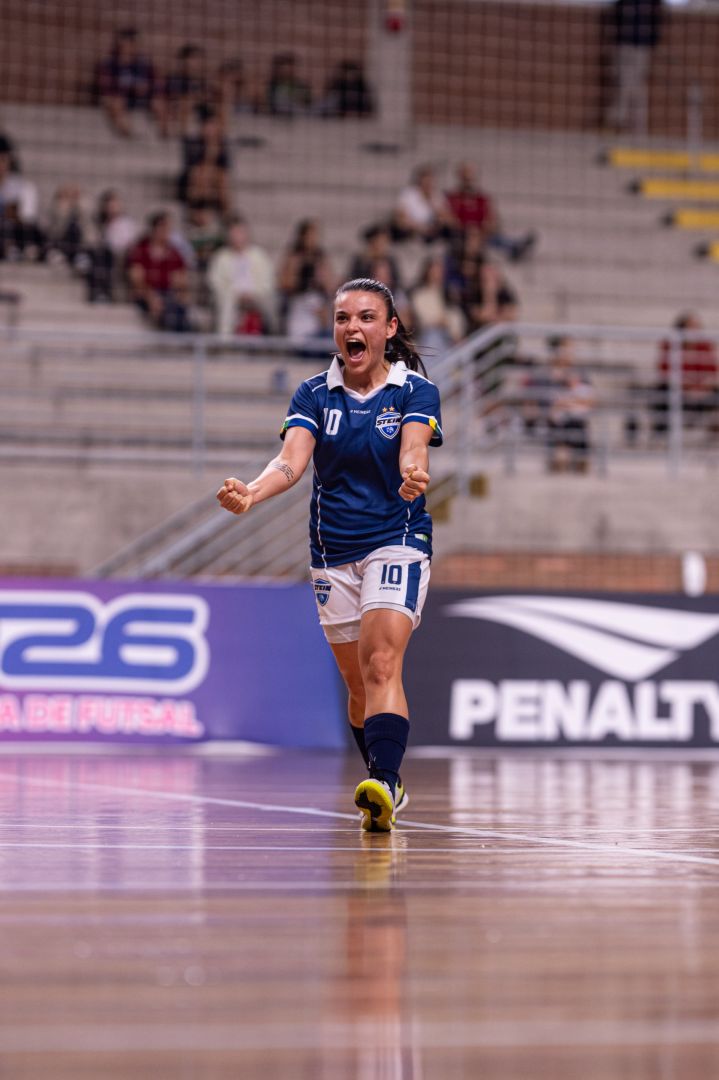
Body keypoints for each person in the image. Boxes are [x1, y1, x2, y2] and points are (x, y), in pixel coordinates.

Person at [216, 277, 443, 832]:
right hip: (331, 550)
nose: (352, 327)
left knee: (382, 662)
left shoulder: (414, 391)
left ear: (389, 329)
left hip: (397, 538)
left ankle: (384, 782)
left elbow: (414, 446)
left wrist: (414, 472)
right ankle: (384, 781)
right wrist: (252, 491)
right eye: (343, 318)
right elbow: (291, 461)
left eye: (366, 317)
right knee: (358, 684)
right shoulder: (314, 393)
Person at [445, 162, 536, 263]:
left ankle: (514, 247)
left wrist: (483, 230)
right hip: (461, 234)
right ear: (460, 177)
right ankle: (512, 247)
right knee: (471, 237)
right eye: (465, 177)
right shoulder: (452, 197)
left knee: (493, 235)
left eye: (470, 177)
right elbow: (447, 218)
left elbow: (492, 218)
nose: (468, 181)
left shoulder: (482, 198)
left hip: (482, 234)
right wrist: (468, 229)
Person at [651, 312, 719, 437]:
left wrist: (702, 388)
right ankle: (662, 433)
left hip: (702, 392)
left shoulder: (705, 346)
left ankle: (713, 433)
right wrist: (687, 387)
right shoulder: (670, 344)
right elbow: (665, 372)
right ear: (681, 328)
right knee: (661, 392)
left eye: (698, 327)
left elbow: (712, 372)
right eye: (692, 327)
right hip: (678, 390)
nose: (696, 331)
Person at [207, 215, 276, 336]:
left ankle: (270, 335)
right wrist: (235, 294)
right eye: (234, 233)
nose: (237, 237)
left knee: (270, 303)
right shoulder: (221, 257)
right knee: (227, 305)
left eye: (240, 233)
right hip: (231, 297)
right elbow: (215, 282)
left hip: (256, 296)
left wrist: (252, 294)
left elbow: (268, 281)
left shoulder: (259, 255)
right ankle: (226, 340)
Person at [127, 210, 192, 331]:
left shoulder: (174, 252)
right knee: (166, 312)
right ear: (155, 229)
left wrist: (181, 294)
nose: (167, 232)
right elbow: (136, 279)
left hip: (167, 295)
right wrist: (150, 296)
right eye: (164, 228)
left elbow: (180, 280)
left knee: (179, 312)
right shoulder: (140, 250)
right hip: (146, 294)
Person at [608, 0, 663, 136]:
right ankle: (618, 123)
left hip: (642, 46)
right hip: (624, 45)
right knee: (624, 83)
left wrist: (653, 42)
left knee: (637, 86)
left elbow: (657, 19)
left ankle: (636, 127)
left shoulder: (653, 3)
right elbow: (615, 14)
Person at [94, 27, 160, 138]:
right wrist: (130, 88)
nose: (134, 46)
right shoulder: (109, 63)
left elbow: (156, 83)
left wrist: (147, 88)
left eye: (136, 43)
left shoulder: (144, 64)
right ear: (121, 43)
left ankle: (165, 133)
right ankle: (128, 133)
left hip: (141, 98)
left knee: (159, 102)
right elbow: (105, 86)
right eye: (131, 42)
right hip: (120, 97)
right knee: (115, 102)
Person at [277, 219, 334, 340]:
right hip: (299, 303)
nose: (313, 239)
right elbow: (284, 283)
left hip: (318, 302)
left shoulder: (320, 258)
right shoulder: (293, 257)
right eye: (310, 235)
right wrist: (297, 271)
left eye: (315, 235)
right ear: (302, 237)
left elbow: (330, 285)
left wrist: (321, 278)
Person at [391, 165, 455, 244]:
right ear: (419, 181)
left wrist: (434, 206)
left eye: (430, 181)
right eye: (426, 181)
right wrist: (420, 228)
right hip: (412, 233)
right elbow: (401, 218)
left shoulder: (437, 196)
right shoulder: (408, 194)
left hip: (433, 234)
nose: (428, 184)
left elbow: (450, 220)